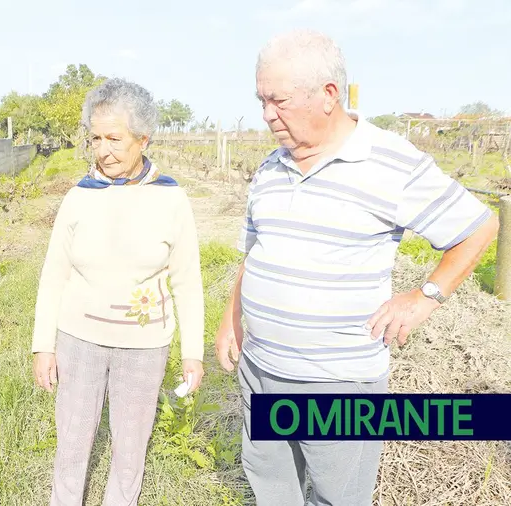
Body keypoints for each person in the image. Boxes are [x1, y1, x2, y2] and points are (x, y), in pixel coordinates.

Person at [215, 29, 501, 506]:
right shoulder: (270, 167)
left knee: (337, 496)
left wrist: (425, 297)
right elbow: (255, 250)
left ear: (328, 95)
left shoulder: (391, 162)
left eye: (278, 101)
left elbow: (479, 226)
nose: (267, 114)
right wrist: (231, 318)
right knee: (271, 484)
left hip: (337, 381)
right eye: (261, 100)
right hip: (262, 369)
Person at [31, 77, 206, 506]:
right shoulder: (78, 197)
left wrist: (193, 353)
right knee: (71, 445)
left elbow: (187, 280)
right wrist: (43, 347)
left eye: (115, 138)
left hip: (144, 347)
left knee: (129, 451)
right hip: (79, 340)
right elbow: (53, 275)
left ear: (143, 139)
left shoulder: (171, 199)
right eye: (95, 138)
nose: (103, 150)